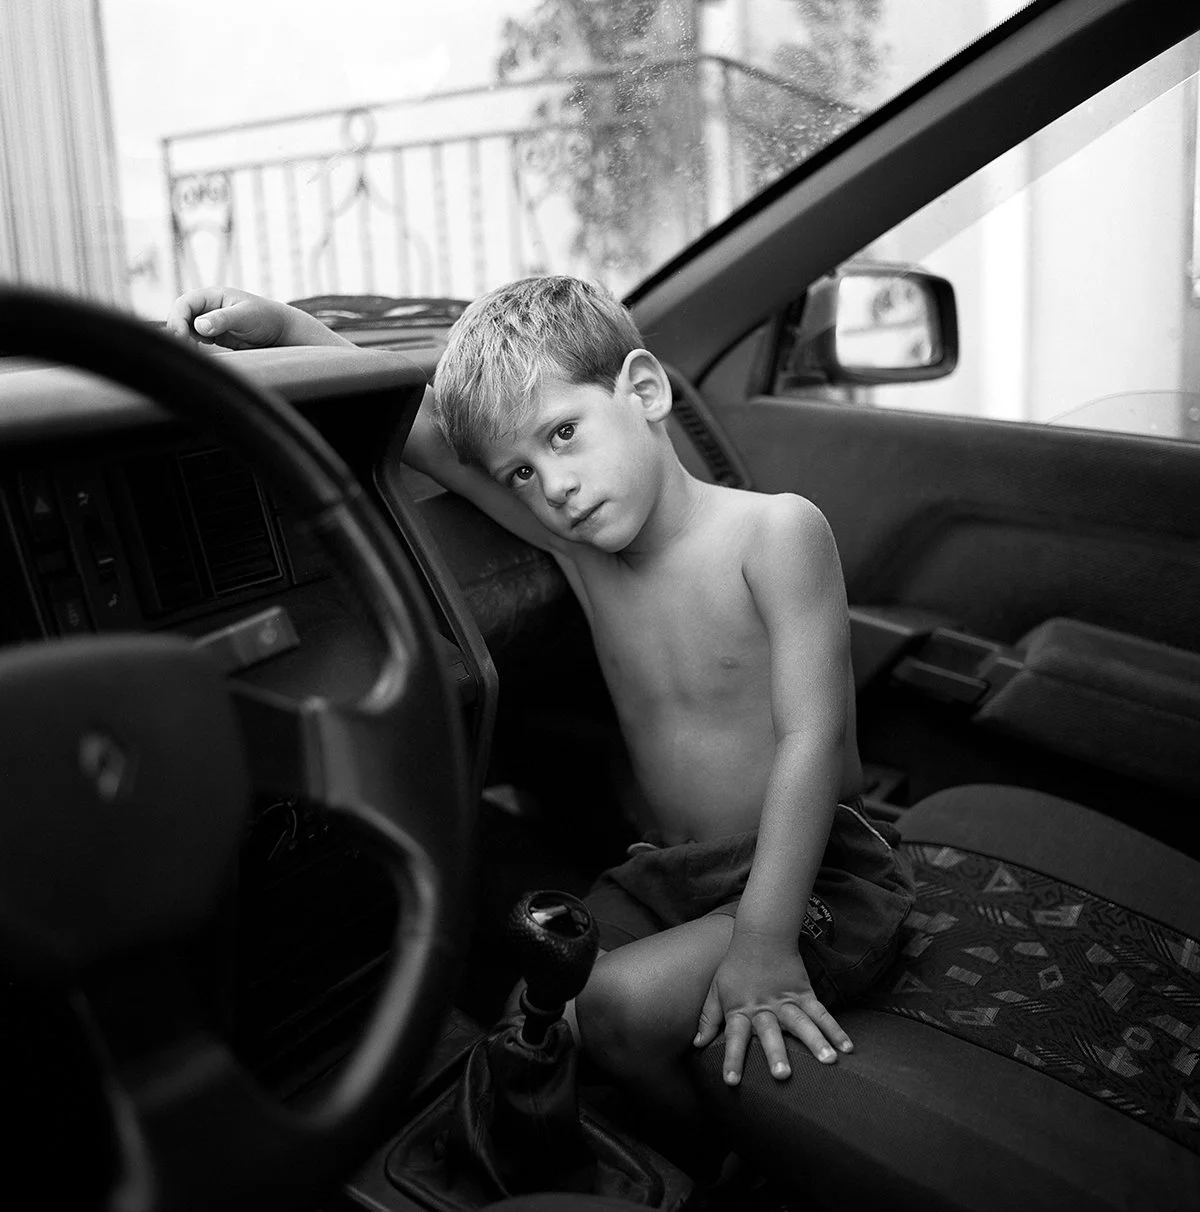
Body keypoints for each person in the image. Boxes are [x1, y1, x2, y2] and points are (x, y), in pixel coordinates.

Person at [167, 277, 914, 1121]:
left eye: (564, 434)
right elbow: (424, 437)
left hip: (814, 873)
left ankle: (726, 1161)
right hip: (673, 872)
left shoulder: (776, 532)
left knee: (617, 1012)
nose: (552, 485)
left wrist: (764, 939)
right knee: (538, 1005)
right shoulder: (586, 556)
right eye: (521, 470)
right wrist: (286, 331)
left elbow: (813, 737)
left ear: (642, 390)